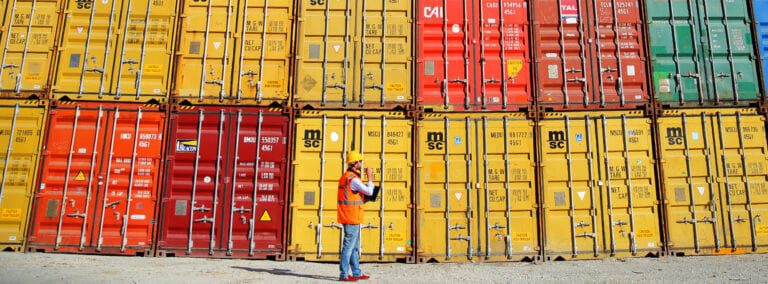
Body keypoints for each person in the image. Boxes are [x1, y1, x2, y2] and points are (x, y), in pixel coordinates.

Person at [337, 150, 375, 282]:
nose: (361, 163)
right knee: (348, 246)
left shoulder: (345, 176)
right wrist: (370, 177)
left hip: (349, 215)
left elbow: (352, 196)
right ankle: (344, 274)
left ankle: (357, 272)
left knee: (353, 246)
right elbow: (369, 191)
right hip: (351, 216)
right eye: (359, 161)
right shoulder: (353, 180)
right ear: (354, 163)